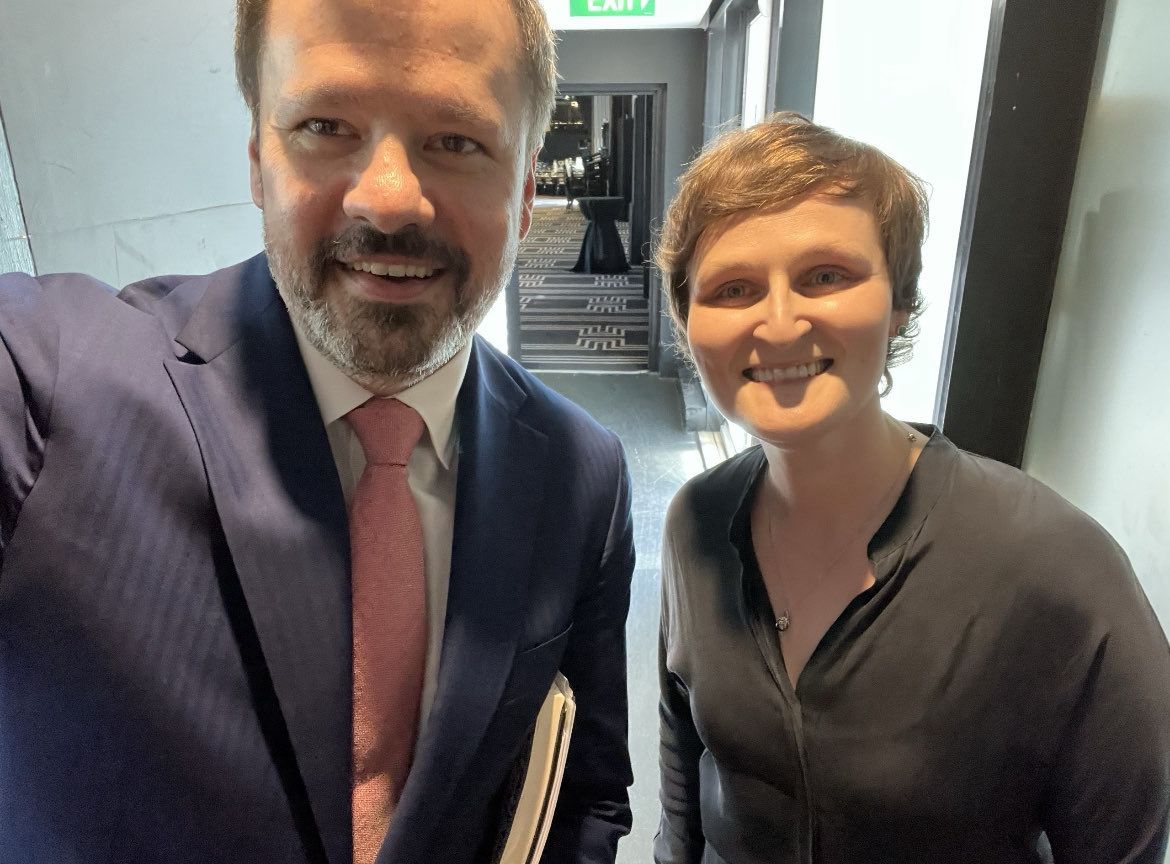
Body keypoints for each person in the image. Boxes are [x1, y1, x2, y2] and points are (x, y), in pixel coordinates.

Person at [0, 1, 634, 862]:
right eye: (326, 125)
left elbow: (586, 797)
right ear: (260, 163)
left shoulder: (581, 472)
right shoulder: (54, 381)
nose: (388, 201)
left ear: (523, 192)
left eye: (456, 141)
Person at [652, 113, 1170, 864]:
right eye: (732, 288)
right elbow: (685, 776)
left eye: (825, 276)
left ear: (899, 302)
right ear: (687, 322)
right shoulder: (694, 524)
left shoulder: (1056, 570)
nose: (780, 322)